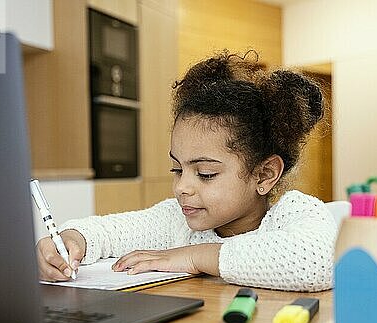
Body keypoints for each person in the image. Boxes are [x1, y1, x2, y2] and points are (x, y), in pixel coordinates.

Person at [36, 50, 337, 292]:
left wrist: (193, 257)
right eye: (177, 169)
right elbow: (108, 232)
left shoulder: (292, 212)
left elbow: (317, 261)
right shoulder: (177, 220)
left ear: (264, 174)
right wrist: (71, 240)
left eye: (205, 173)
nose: (182, 187)